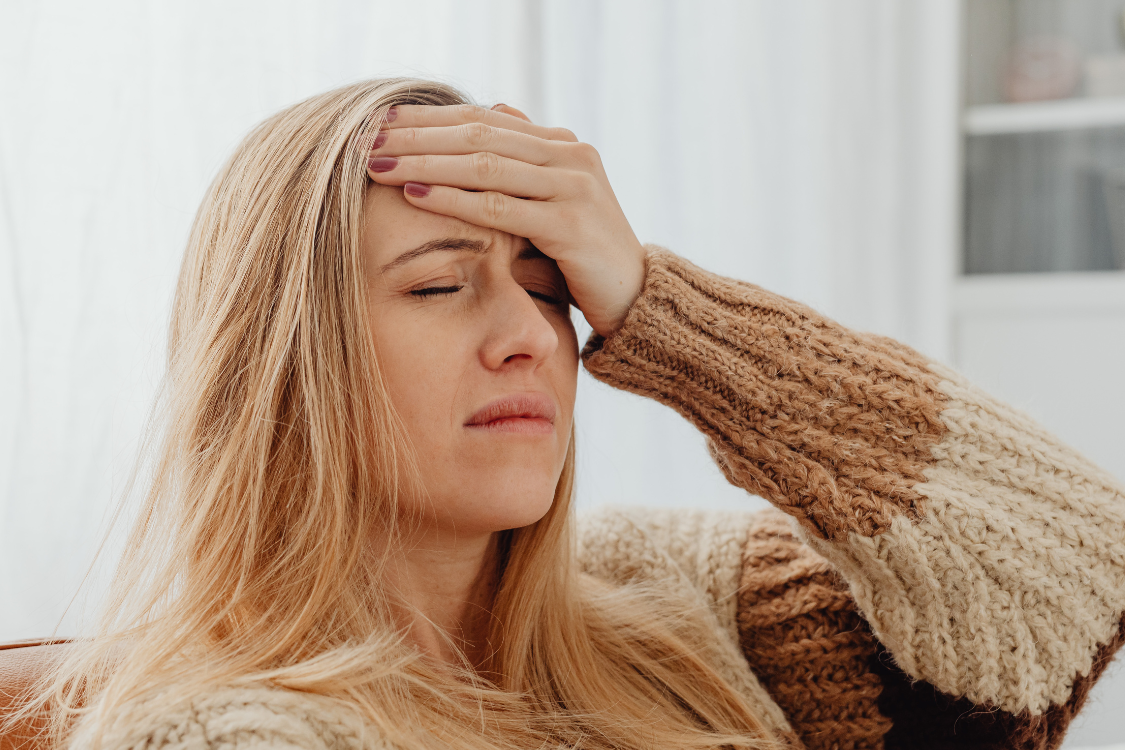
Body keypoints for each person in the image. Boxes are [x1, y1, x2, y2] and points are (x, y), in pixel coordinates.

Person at [14, 77, 1125, 750]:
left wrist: (660, 303)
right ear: (281, 365)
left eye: (554, 289)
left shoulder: (677, 601)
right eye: (441, 286)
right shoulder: (224, 731)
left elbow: (1073, 561)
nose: (534, 336)